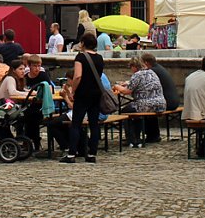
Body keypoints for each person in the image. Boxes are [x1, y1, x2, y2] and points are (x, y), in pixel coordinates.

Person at [60, 32, 104, 163]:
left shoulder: (81, 57)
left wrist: (73, 90)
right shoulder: (99, 58)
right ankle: (91, 153)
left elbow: (78, 75)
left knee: (76, 124)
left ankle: (72, 154)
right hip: (96, 93)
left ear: (83, 43)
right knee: (94, 124)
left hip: (83, 93)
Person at [113, 57, 166, 148]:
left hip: (145, 104)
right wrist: (127, 83)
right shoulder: (151, 72)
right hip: (160, 104)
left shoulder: (137, 75)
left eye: (131, 67)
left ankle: (132, 139)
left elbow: (127, 91)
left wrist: (117, 86)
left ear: (134, 66)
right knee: (135, 111)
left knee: (126, 111)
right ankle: (153, 136)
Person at [140, 52, 179, 143]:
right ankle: (153, 134)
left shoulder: (152, 71)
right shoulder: (159, 68)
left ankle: (152, 135)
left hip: (168, 102)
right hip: (173, 101)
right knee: (150, 104)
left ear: (146, 63)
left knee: (146, 107)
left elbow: (145, 86)